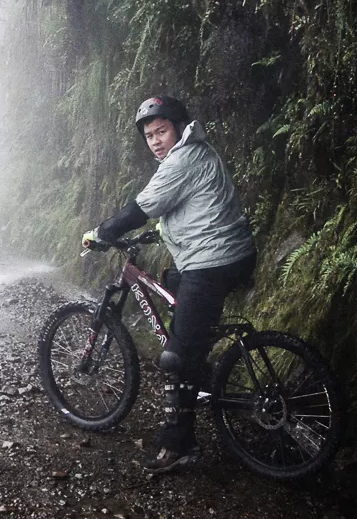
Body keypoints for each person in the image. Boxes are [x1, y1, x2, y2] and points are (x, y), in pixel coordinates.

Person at [83, 95, 256, 473]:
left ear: (178, 127)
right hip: (227, 253)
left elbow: (142, 208)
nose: (156, 140)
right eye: (149, 135)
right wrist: (156, 235)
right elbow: (192, 209)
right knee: (172, 284)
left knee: (174, 359)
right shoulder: (196, 152)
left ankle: (178, 445)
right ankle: (200, 363)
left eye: (161, 130)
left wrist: (100, 233)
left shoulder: (182, 159)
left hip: (213, 260)